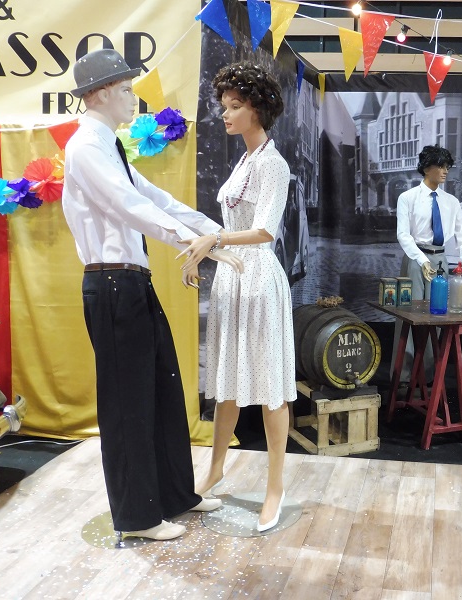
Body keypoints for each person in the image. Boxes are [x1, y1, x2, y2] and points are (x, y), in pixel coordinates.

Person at [62, 49, 243, 540]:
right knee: (127, 402)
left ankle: (175, 495)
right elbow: (128, 206)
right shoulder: (85, 147)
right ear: (100, 94)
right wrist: (192, 242)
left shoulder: (110, 146)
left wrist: (213, 233)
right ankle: (138, 516)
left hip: (132, 283)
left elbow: (157, 199)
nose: (132, 98)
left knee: (162, 389)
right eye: (124, 90)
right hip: (112, 285)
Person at [179, 61, 296, 533]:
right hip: (233, 278)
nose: (225, 114)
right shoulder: (246, 160)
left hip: (260, 280)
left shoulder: (273, 164)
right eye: (224, 105)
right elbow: (229, 227)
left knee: (270, 385)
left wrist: (215, 240)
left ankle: (275, 487)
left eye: (234, 106)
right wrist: (204, 249)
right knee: (228, 378)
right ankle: (214, 469)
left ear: (257, 109)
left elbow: (265, 230)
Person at [392, 145, 462, 380]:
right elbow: (403, 235)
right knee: (409, 313)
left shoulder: (451, 202)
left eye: (447, 166)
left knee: (437, 314)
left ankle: (429, 376)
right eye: (440, 166)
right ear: (426, 168)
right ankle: (403, 376)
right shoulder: (407, 198)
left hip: (440, 259)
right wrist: (421, 260)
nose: (445, 171)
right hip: (415, 258)